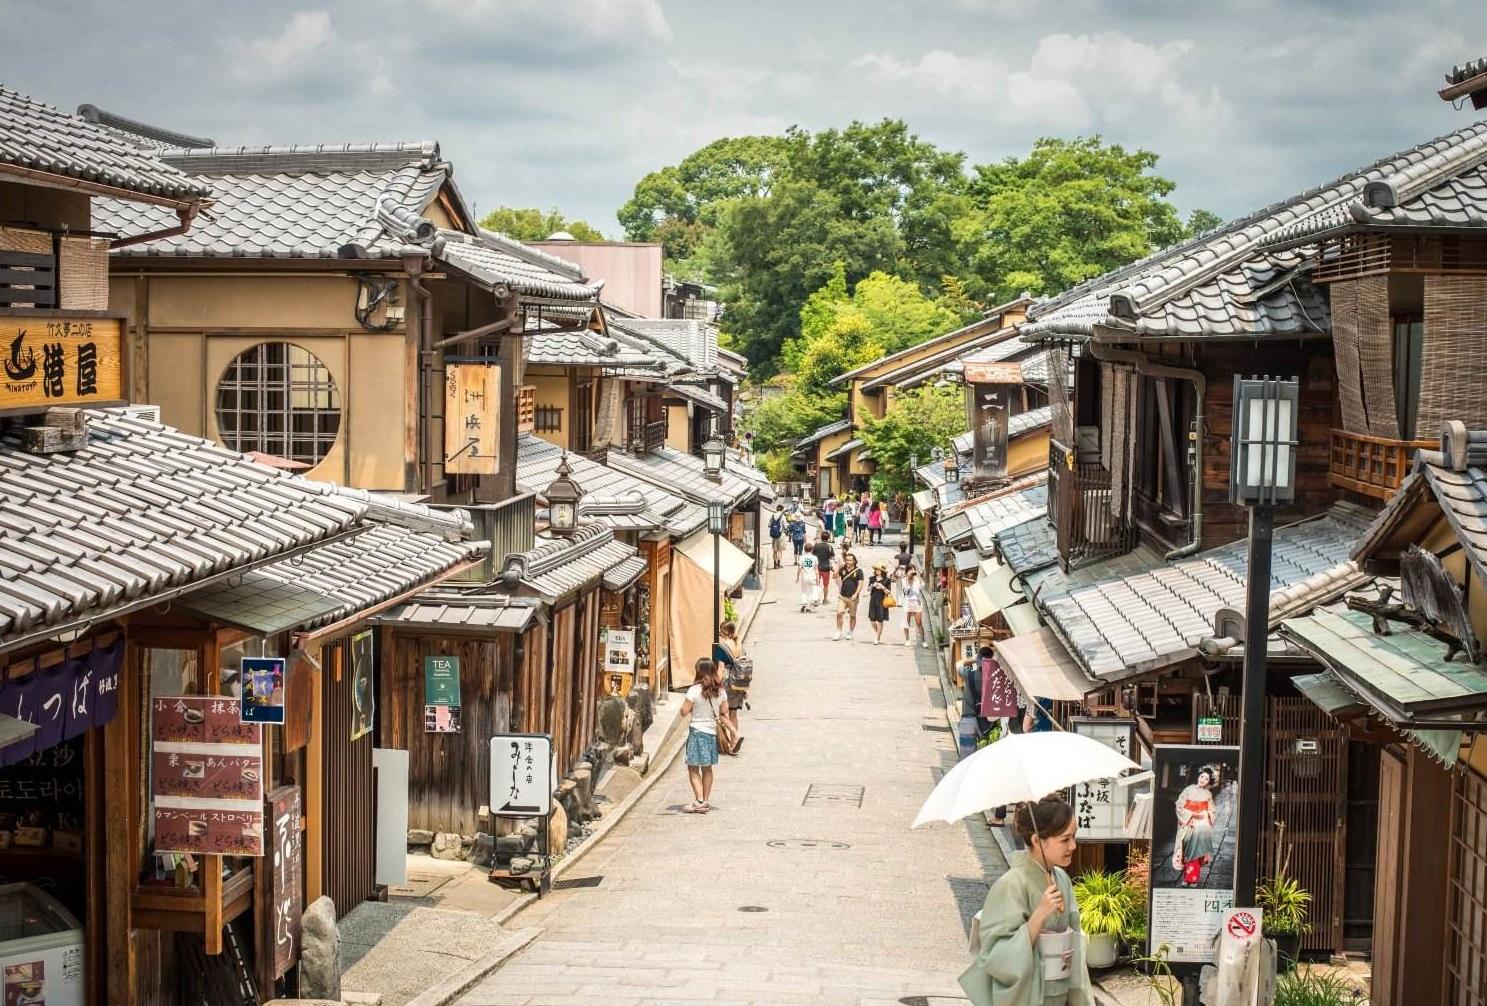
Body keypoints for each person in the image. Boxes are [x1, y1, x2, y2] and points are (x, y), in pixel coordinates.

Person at [961, 796, 1092, 1006]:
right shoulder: (1011, 884)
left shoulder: (1062, 880)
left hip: (1061, 993)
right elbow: (994, 955)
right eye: (1065, 839)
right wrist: (1039, 915)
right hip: (1029, 996)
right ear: (1037, 841)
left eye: (1074, 837)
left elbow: (1074, 943)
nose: (1073, 846)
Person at [679, 658, 725, 813]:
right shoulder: (720, 690)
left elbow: (684, 711)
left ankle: (699, 801)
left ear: (698, 671)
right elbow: (724, 711)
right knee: (707, 768)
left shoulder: (694, 690)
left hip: (697, 732)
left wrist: (693, 708)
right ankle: (705, 800)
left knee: (693, 768)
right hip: (711, 733)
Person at [1173, 765, 1219, 887]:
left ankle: (1193, 879)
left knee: (1197, 852)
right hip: (1189, 823)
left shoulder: (1208, 794)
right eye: (1202, 776)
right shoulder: (1188, 790)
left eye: (1206, 779)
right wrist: (1191, 815)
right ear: (1198, 776)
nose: (1203, 780)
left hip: (1201, 825)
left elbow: (1212, 811)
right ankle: (1186, 877)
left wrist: (1205, 818)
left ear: (1209, 782)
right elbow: (1179, 805)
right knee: (1187, 850)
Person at [713, 622, 748, 754]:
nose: (720, 633)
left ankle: (734, 736)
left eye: (720, 631)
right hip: (739, 683)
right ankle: (733, 743)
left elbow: (721, 669)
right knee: (733, 713)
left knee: (721, 713)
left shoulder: (723, 647)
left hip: (727, 683)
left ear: (725, 631)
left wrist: (716, 684)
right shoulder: (740, 646)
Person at [835, 552, 865, 641]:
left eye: (849, 560)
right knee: (839, 613)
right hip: (842, 596)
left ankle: (851, 632)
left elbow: (860, 583)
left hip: (853, 597)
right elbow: (834, 576)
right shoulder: (843, 569)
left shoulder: (859, 571)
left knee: (852, 616)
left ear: (854, 561)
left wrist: (856, 594)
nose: (847, 562)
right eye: (846, 560)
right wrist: (838, 567)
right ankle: (838, 631)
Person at [866, 561, 893, 644]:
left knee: (880, 620)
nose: (877, 571)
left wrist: (882, 587)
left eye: (879, 570)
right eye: (876, 569)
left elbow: (888, 592)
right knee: (872, 620)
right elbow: (868, 590)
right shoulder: (872, 578)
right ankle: (878, 632)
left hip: (882, 601)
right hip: (873, 600)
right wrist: (872, 585)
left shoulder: (887, 580)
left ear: (882, 571)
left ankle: (876, 638)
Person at [901, 567, 926, 647]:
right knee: (906, 621)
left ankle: (923, 640)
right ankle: (907, 639)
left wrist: (918, 576)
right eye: (910, 570)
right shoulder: (904, 580)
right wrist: (908, 580)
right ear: (907, 572)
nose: (911, 572)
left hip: (916, 602)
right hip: (907, 602)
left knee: (919, 622)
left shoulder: (917, 579)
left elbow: (922, 586)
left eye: (912, 570)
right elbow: (906, 591)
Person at [812, 531, 836, 600]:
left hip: (817, 568)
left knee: (816, 584)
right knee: (826, 585)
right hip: (826, 568)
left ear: (821, 538)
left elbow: (813, 555)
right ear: (828, 538)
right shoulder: (829, 547)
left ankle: (816, 598)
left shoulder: (816, 546)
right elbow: (832, 558)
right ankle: (825, 599)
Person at [798, 540, 820, 610]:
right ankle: (810, 606)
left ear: (804, 549)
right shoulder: (814, 557)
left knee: (804, 590)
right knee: (812, 590)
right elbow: (816, 569)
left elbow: (800, 568)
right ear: (812, 549)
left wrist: (797, 576)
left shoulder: (802, 557)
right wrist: (817, 578)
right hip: (812, 576)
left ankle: (804, 602)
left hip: (804, 575)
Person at [768, 505, 785, 569]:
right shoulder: (782, 516)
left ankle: (774, 564)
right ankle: (778, 563)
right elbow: (785, 526)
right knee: (780, 550)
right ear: (782, 510)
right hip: (780, 535)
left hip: (774, 535)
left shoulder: (772, 516)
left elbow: (769, 525)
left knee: (774, 550)